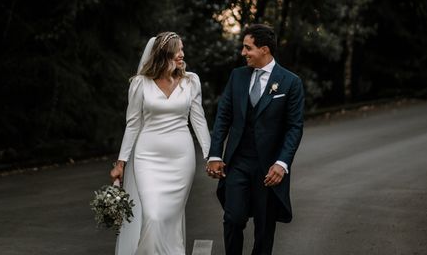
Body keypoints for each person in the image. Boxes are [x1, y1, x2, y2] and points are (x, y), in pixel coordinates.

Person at [206, 23, 304, 255]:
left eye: (247, 48)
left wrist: (282, 164)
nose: (243, 53)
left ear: (265, 50)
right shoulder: (237, 76)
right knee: (233, 218)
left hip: (268, 167)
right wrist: (215, 154)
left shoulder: (290, 82)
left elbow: (294, 127)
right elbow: (223, 117)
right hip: (237, 162)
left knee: (264, 227)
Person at [110, 31, 211, 255]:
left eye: (182, 49)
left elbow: (198, 119)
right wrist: (121, 162)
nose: (182, 54)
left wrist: (210, 155)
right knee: (153, 216)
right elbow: (133, 124)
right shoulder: (140, 84)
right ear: (164, 54)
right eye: (177, 50)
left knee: (171, 219)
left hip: (181, 159)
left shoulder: (191, 81)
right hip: (148, 158)